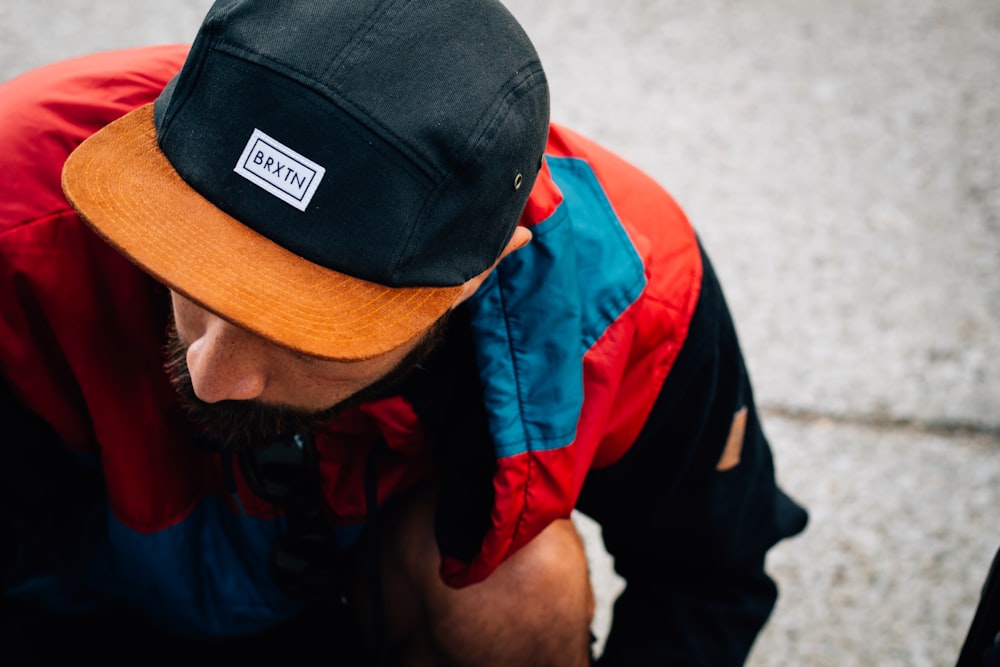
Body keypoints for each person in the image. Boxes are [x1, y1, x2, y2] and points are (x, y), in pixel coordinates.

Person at [0, 0, 807, 665]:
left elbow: (704, 579)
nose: (215, 373)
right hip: (72, 610)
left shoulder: (634, 290)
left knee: (521, 589)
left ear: (479, 273)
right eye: (191, 262)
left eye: (305, 325)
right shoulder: (15, 198)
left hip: (379, 603)